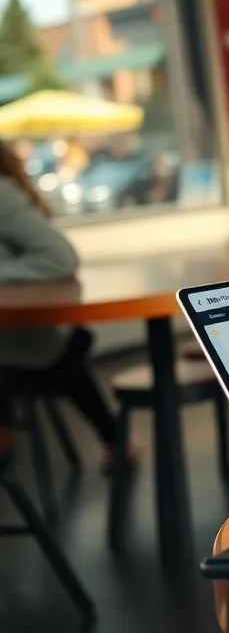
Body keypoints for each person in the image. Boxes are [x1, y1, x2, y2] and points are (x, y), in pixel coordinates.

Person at [0, 140, 131, 465]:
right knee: (71, 348)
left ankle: (116, 441)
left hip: (19, 347)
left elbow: (60, 257)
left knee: (66, 349)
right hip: (31, 345)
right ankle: (116, 440)